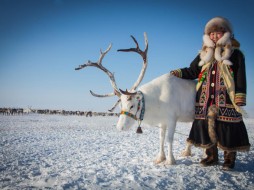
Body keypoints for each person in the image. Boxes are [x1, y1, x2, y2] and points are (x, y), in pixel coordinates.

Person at [170, 17, 250, 170]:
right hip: (204, 98)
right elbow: (193, 70)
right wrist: (178, 72)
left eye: (217, 33)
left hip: (226, 97)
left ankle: (229, 158)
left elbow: (240, 75)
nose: (214, 36)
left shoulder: (235, 54)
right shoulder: (204, 53)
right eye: (211, 34)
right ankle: (211, 156)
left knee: (228, 127)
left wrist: (240, 96)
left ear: (226, 33)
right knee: (206, 126)